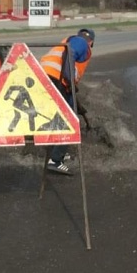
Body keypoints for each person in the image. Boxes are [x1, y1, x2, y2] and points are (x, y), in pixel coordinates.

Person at [40, 28, 95, 175]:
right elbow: (71, 53)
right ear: (92, 43)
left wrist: (75, 102)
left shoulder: (67, 41)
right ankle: (56, 160)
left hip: (45, 77)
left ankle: (58, 151)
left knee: (61, 115)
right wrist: (69, 79)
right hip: (57, 80)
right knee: (68, 121)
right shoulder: (82, 43)